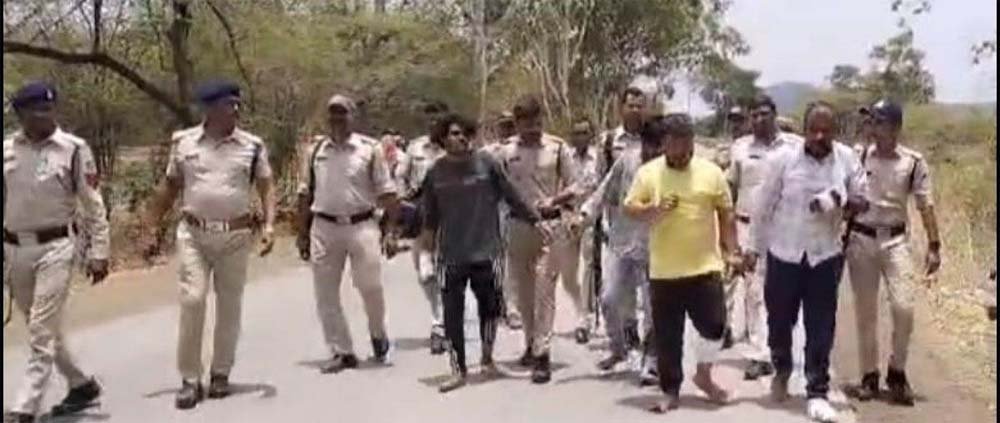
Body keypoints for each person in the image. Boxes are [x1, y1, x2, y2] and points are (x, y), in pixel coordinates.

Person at [144, 80, 276, 410]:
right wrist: (151, 227)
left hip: (235, 236)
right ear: (210, 109)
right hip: (194, 234)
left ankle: (220, 373)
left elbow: (266, 185)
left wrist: (269, 225)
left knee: (230, 306)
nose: (235, 109)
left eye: (237, 104)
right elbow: (170, 187)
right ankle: (190, 379)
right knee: (193, 300)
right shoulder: (184, 143)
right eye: (228, 104)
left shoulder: (252, 146)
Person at [749, 101, 867, 422]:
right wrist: (753, 250)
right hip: (784, 253)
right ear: (804, 129)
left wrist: (837, 199)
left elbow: (863, 200)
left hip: (824, 256)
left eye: (826, 131)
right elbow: (762, 208)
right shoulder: (783, 160)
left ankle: (817, 391)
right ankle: (782, 368)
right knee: (779, 322)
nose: (819, 136)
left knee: (820, 327)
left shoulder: (846, 159)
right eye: (813, 129)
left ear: (835, 131)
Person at [3, 82, 110, 423]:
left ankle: (25, 406)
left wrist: (99, 250)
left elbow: (93, 204)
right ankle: (81, 385)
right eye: (36, 111)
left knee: (40, 329)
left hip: (57, 247)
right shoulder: (7, 150)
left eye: (49, 109)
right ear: (21, 114)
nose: (44, 116)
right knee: (42, 327)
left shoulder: (73, 149)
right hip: (15, 248)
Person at [418, 113, 543, 393]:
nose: (461, 138)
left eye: (465, 132)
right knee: (452, 314)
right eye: (454, 133)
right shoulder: (435, 173)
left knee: (491, 308)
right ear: (442, 139)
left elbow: (512, 196)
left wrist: (536, 220)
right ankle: (458, 369)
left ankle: (487, 358)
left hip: (487, 251)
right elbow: (429, 218)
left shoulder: (487, 163)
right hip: (451, 255)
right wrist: (426, 254)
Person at [623, 114, 738, 413]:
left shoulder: (711, 173)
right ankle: (670, 391)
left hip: (705, 267)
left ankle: (704, 374)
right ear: (664, 143)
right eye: (675, 144)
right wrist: (653, 210)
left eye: (687, 143)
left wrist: (731, 251)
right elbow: (630, 207)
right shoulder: (649, 173)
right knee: (668, 337)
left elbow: (726, 213)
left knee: (715, 326)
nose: (682, 151)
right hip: (664, 271)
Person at [845, 100, 941, 406]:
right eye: (871, 121)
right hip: (862, 239)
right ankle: (869, 376)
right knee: (866, 313)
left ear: (896, 127)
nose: (873, 127)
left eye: (880, 122)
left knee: (904, 308)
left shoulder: (913, 163)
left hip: (896, 241)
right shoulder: (858, 156)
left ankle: (897, 371)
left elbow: (925, 205)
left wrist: (934, 246)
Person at [296, 94, 398, 373]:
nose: (337, 119)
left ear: (354, 116)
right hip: (324, 227)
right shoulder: (315, 151)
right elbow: (304, 193)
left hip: (362, 225)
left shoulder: (370, 149)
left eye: (342, 113)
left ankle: (378, 334)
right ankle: (342, 351)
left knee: (370, 288)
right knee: (325, 293)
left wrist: (391, 232)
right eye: (332, 113)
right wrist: (302, 233)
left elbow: (388, 193)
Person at [495, 94, 579, 384]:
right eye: (526, 123)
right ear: (517, 123)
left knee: (544, 291)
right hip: (518, 226)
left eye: (536, 121)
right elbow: (497, 186)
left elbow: (576, 184)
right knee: (524, 293)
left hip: (550, 226)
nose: (532, 128)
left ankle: (543, 353)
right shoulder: (504, 152)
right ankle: (531, 343)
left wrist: (556, 200)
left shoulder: (558, 148)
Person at [577, 116, 664, 381]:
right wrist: (584, 217)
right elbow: (604, 191)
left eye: (661, 146)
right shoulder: (626, 161)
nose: (656, 152)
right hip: (622, 243)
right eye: (652, 145)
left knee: (653, 309)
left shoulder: (671, 169)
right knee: (609, 298)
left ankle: (652, 361)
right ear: (644, 143)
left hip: (657, 249)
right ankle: (618, 348)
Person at [726, 94, 803, 381]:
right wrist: (728, 233)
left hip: (785, 228)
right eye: (754, 115)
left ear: (774, 115)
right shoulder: (740, 148)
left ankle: (780, 345)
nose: (759, 120)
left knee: (784, 291)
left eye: (764, 114)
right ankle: (761, 354)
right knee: (754, 291)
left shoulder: (795, 146)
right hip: (749, 227)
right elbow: (729, 189)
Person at [594, 86, 649, 353]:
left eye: (640, 105)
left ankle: (650, 350)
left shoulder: (654, 138)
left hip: (650, 225)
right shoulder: (608, 141)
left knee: (648, 293)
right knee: (613, 293)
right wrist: (599, 220)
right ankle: (622, 337)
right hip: (618, 225)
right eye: (631, 105)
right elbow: (601, 183)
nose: (635, 110)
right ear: (621, 108)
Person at [395, 102, 449, 354]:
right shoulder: (415, 148)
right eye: (430, 118)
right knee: (426, 274)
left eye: (438, 118)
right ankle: (441, 316)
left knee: (448, 272)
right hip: (422, 219)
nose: (433, 122)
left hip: (452, 218)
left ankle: (440, 325)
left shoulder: (456, 145)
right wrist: (403, 200)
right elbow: (401, 175)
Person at [564, 116, 600, 343]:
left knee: (588, 267)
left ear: (591, 135)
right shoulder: (565, 157)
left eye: (584, 132)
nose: (580, 137)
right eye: (576, 133)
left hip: (589, 218)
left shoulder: (598, 159)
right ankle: (581, 307)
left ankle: (583, 319)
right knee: (568, 275)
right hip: (567, 217)